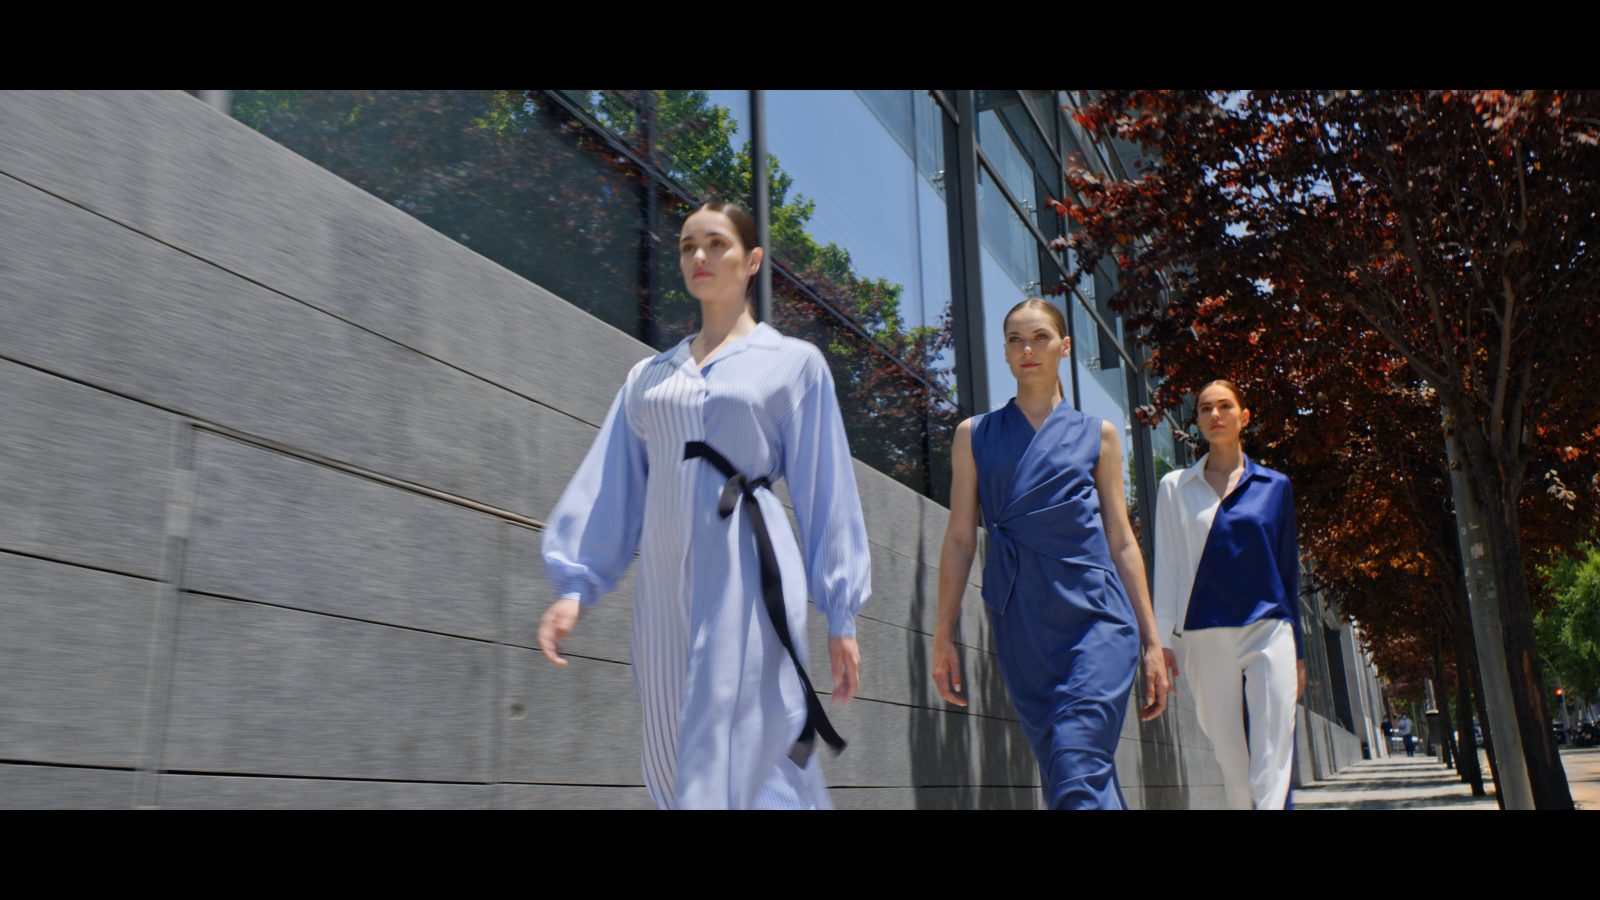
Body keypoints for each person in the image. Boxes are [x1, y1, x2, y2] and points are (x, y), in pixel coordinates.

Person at [538, 201, 869, 809]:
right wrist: (575, 589)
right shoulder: (648, 377)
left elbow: (827, 490)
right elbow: (612, 484)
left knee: (746, 742)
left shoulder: (794, 364)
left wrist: (840, 615)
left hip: (749, 571)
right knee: (671, 745)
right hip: (664, 589)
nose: (699, 256)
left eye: (717, 243)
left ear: (753, 260)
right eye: (689, 245)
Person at [931, 299, 1170, 809]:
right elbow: (960, 539)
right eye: (1016, 340)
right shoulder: (974, 435)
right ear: (1004, 352)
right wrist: (942, 637)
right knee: (1073, 773)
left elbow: (1121, 540)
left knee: (1076, 768)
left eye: (1040, 337)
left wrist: (1152, 642)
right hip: (1023, 629)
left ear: (1064, 347)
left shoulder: (1100, 436)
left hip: (1098, 623)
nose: (1028, 349)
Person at [1153, 379, 1304, 809]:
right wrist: (1162, 642)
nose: (1214, 415)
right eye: (1205, 408)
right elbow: (1167, 567)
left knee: (1272, 758)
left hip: (1269, 630)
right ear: (1198, 421)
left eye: (1224, 406)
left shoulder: (1275, 486)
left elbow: (1287, 572)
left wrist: (1299, 652)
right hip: (1205, 635)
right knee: (1234, 767)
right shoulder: (1175, 487)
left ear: (1244, 417)